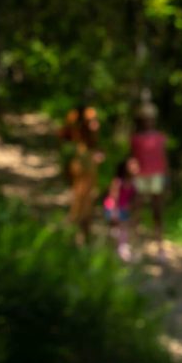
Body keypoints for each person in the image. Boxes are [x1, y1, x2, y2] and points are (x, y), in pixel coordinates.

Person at [59, 105, 104, 245]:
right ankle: (75, 236)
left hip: (88, 171)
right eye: (92, 122)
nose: (96, 125)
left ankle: (82, 236)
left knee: (87, 202)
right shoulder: (79, 143)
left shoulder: (91, 144)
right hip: (83, 170)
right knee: (80, 201)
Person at [130, 101, 168, 261]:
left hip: (156, 176)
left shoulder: (160, 137)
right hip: (140, 177)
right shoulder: (136, 138)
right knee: (137, 212)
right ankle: (136, 247)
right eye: (145, 118)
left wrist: (167, 179)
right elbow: (132, 158)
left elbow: (164, 159)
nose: (148, 121)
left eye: (150, 118)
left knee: (157, 213)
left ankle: (160, 247)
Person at [104, 158, 138, 261]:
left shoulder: (133, 182)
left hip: (123, 209)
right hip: (113, 208)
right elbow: (113, 198)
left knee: (123, 228)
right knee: (120, 228)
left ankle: (120, 249)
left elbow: (132, 199)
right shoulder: (118, 181)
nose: (135, 167)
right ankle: (120, 250)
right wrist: (115, 212)